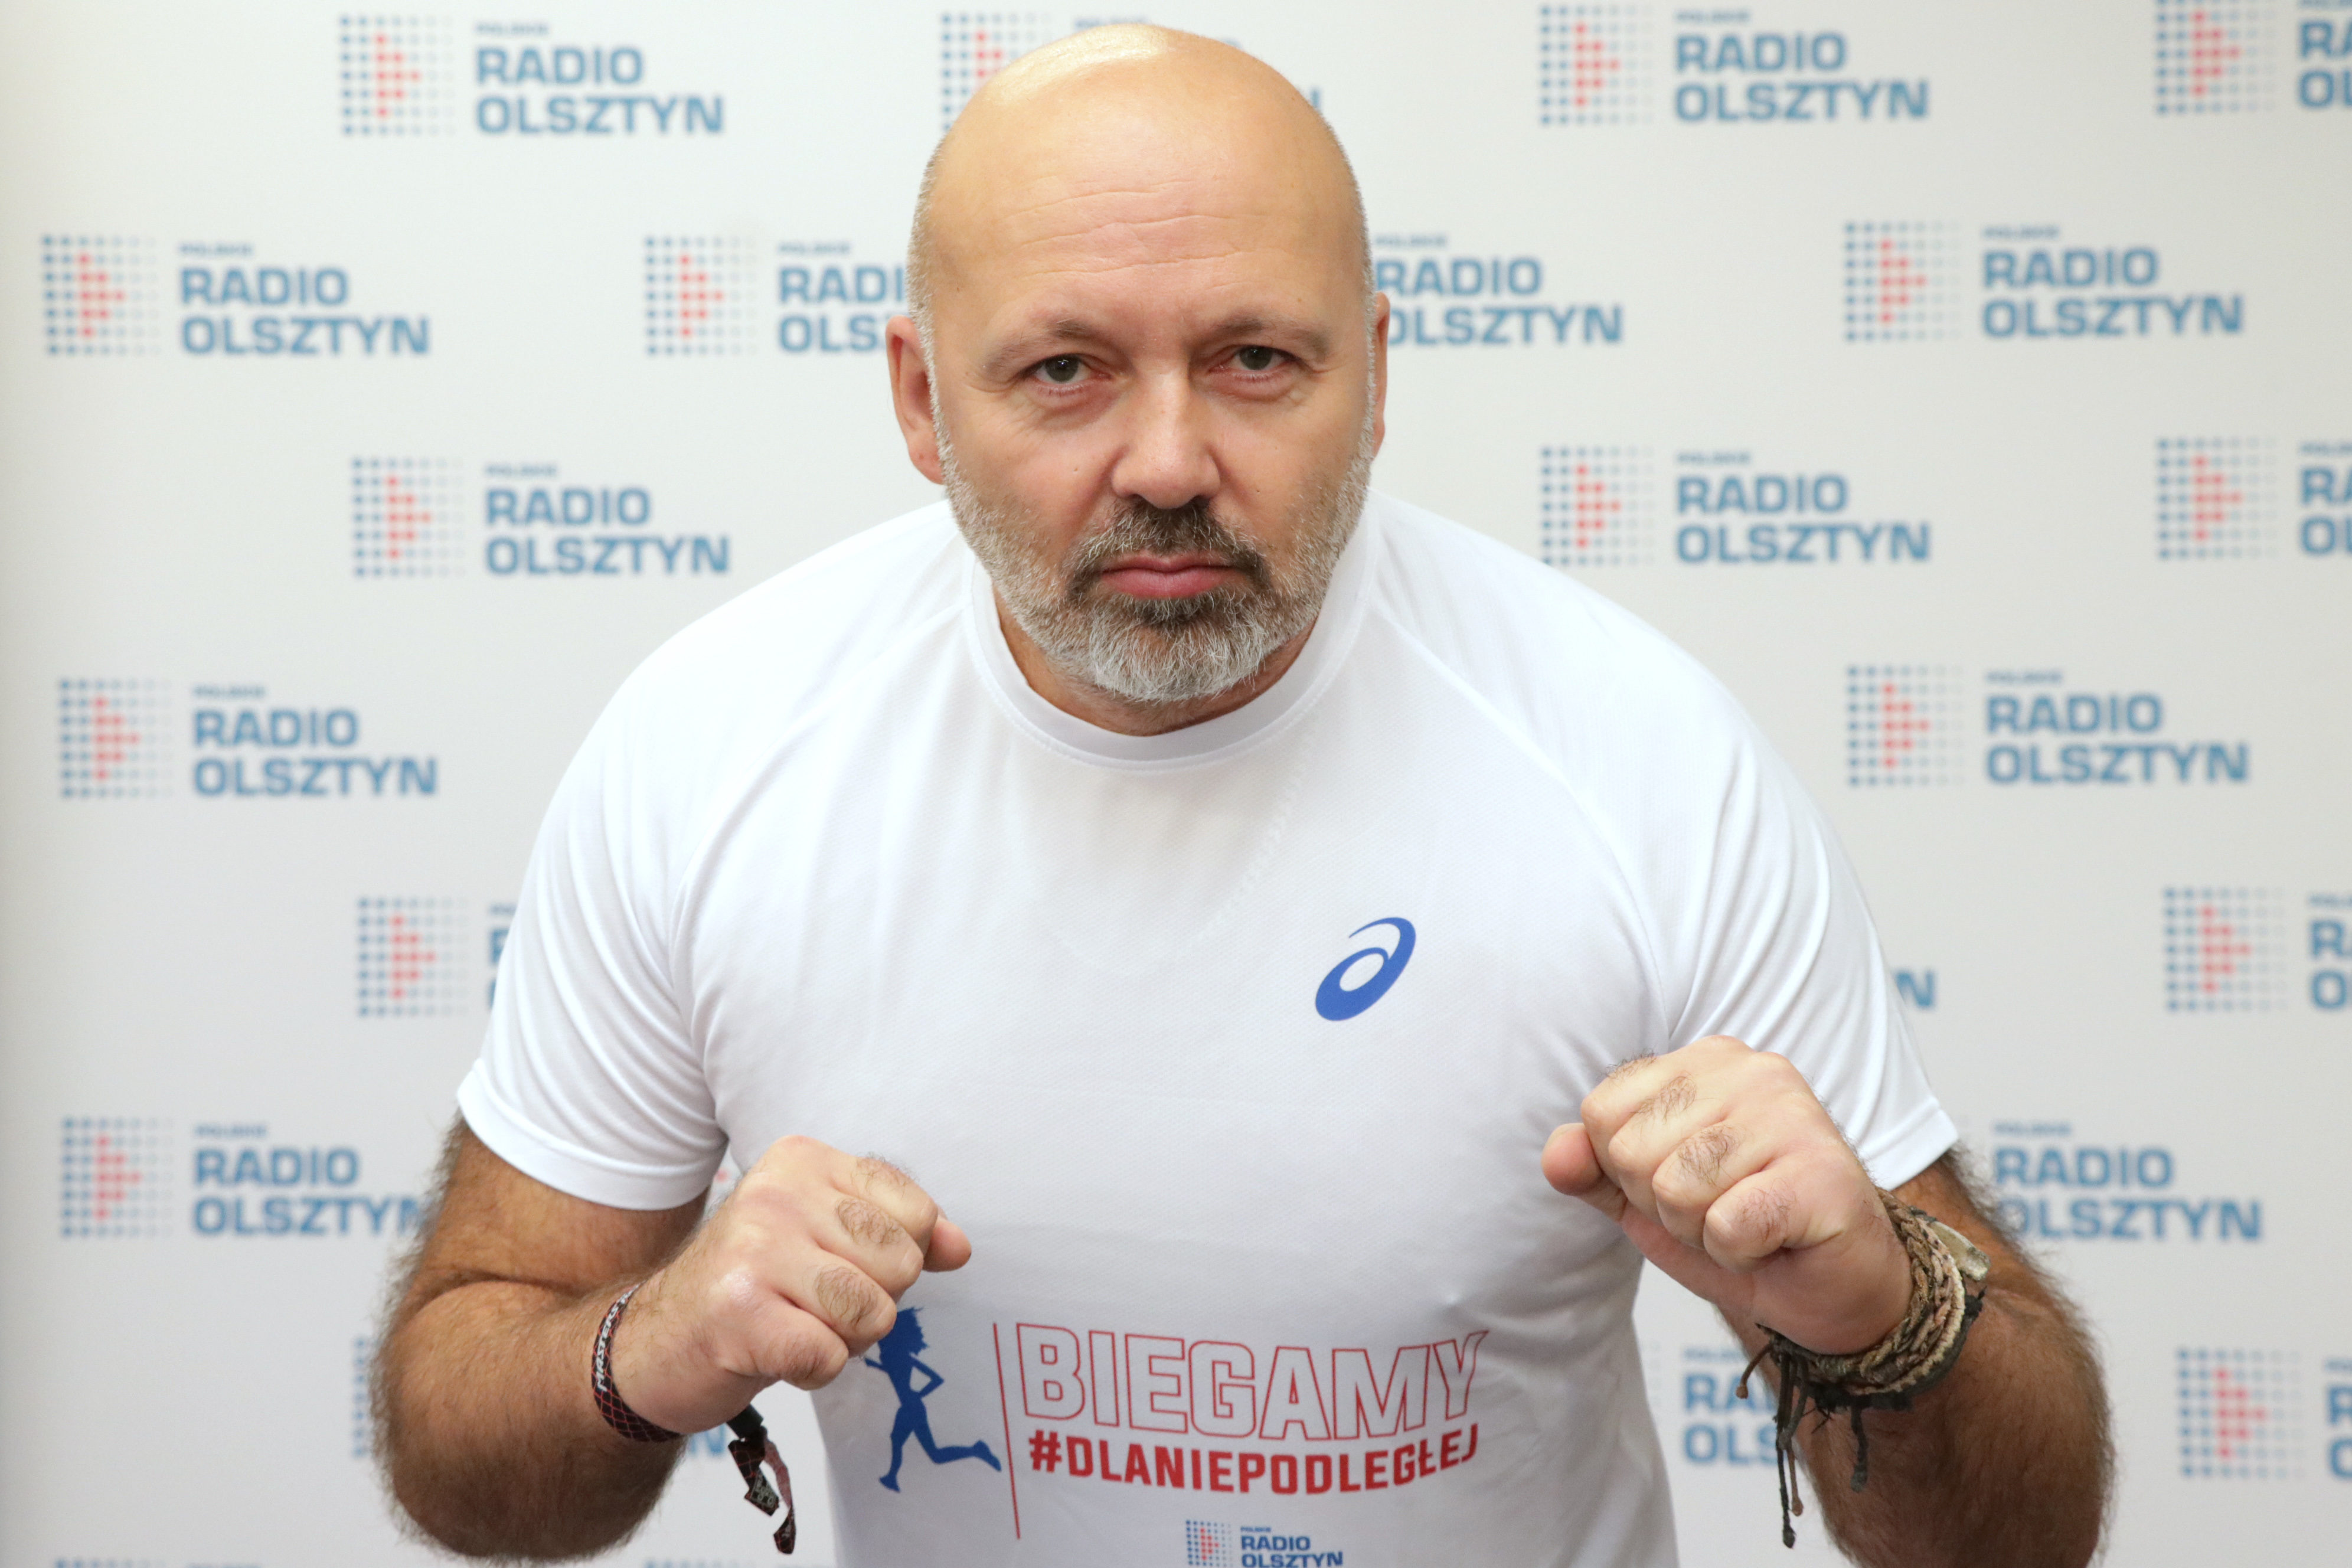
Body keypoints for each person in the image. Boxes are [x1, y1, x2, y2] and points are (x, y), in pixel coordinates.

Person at [373, 25, 2109, 1568]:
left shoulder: (1641, 763)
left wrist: (1886, 1318)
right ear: (919, 398)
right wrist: (655, 1348)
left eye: (1257, 361)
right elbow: (460, 1452)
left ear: (1378, 378)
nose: (1169, 462)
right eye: (1065, 370)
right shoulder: (713, 749)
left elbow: (2020, 1536)